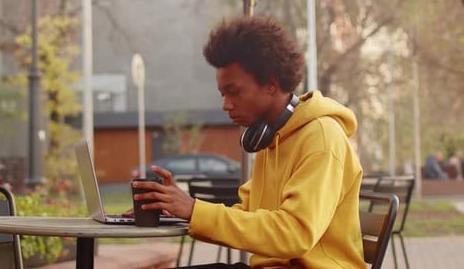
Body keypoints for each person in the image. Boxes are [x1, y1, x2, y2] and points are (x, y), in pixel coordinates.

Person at [125, 16, 365, 268]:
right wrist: (179, 211)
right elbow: (248, 217)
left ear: (271, 84)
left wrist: (195, 210)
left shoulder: (321, 138)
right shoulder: (270, 138)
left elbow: (295, 234)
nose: (225, 104)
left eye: (234, 91)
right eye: (222, 94)